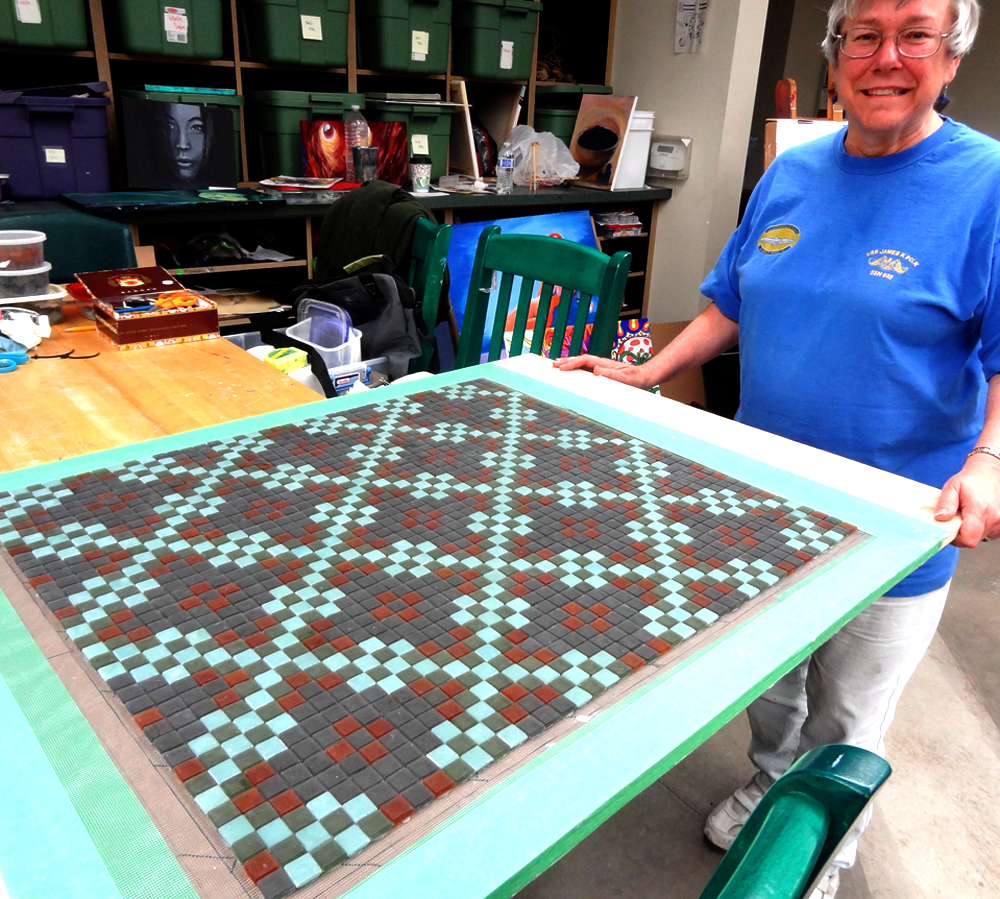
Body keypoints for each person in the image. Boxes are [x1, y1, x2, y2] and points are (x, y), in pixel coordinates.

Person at [554, 0, 999, 896]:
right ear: (837, 55)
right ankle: (769, 781)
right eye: (864, 35)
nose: (886, 56)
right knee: (771, 679)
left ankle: (818, 848)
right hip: (763, 499)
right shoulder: (792, 172)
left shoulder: (987, 185)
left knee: (848, 713)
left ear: (952, 57)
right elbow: (732, 300)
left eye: (916, 34)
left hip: (898, 518)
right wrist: (648, 372)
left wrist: (988, 461)